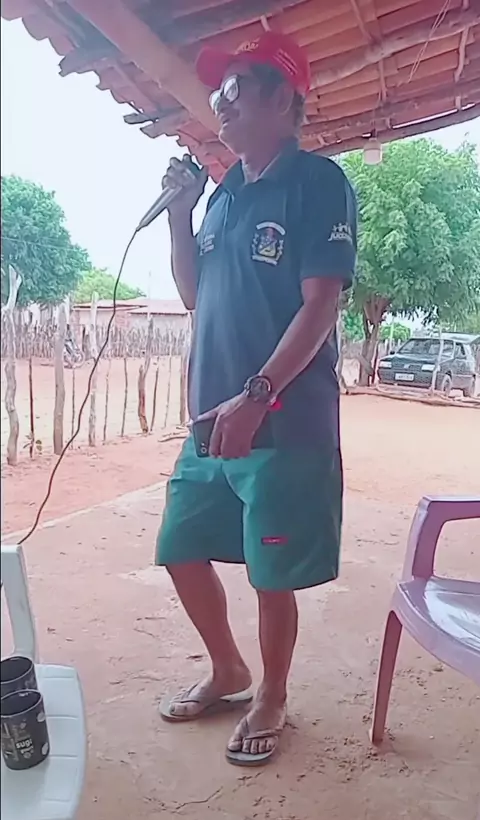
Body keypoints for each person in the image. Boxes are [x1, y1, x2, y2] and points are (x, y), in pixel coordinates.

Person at [155, 31, 357, 766]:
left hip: (282, 421)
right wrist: (181, 213)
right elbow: (193, 294)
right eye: (220, 91)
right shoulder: (224, 195)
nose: (222, 103)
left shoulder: (317, 183)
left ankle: (271, 693)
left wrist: (257, 394)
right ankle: (228, 670)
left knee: (273, 573)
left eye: (237, 88)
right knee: (181, 548)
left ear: (283, 99)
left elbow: (321, 304)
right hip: (211, 418)